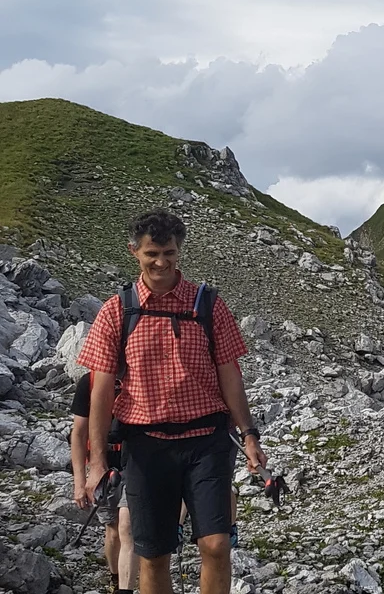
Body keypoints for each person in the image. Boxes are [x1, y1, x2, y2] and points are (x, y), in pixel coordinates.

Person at [78, 208, 267, 594]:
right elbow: (100, 390)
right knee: (153, 554)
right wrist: (96, 462)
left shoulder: (208, 304)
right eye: (152, 253)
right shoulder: (117, 310)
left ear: (179, 251)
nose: (161, 262)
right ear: (135, 252)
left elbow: (230, 376)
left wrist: (249, 436)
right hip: (146, 447)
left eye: (169, 252)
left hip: (207, 441)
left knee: (215, 544)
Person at [70, 373, 136, 594]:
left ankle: (124, 589)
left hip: (137, 463)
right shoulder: (88, 383)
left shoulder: (142, 374)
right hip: (103, 465)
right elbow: (78, 433)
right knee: (114, 530)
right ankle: (115, 576)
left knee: (127, 527)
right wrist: (80, 481)